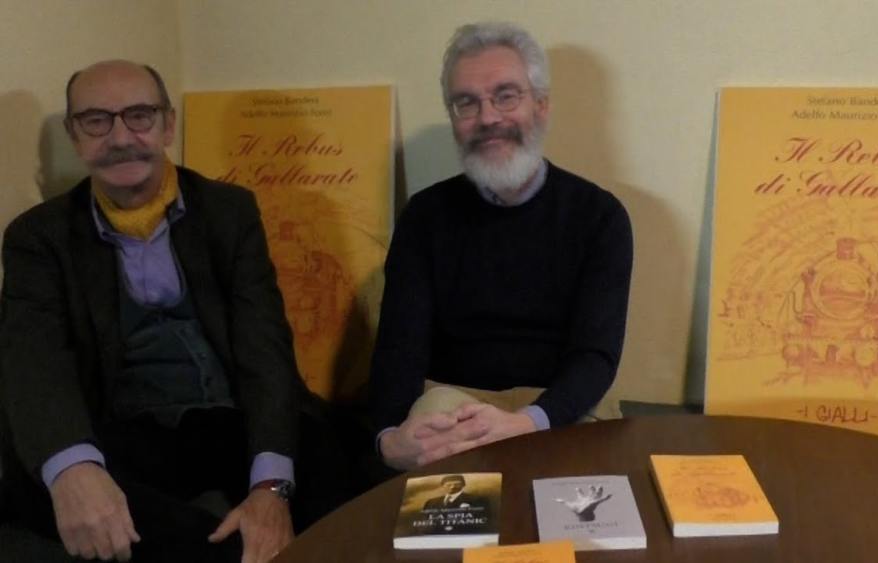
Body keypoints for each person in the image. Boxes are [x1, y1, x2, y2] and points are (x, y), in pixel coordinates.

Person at [0, 60, 355, 563]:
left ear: (168, 125)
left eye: (139, 116)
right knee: (42, 480)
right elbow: (34, 362)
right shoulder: (38, 237)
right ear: (74, 136)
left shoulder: (229, 211)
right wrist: (76, 471)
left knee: (327, 460)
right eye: (96, 121)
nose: (120, 137)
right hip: (124, 428)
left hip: (231, 415)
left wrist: (270, 490)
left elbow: (265, 347)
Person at [371, 22, 633, 471]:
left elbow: (595, 356)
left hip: (560, 408)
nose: (488, 118)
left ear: (541, 105)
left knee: (582, 510)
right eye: (467, 103)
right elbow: (399, 349)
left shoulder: (600, 216)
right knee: (446, 509)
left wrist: (528, 421)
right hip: (454, 407)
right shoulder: (424, 217)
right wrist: (387, 438)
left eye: (506, 96)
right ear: (454, 119)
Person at [422, 475, 488, 511]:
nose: (452, 487)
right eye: (448, 485)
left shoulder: (477, 500)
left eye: (457, 484)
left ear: (463, 485)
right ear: (442, 486)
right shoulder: (431, 502)